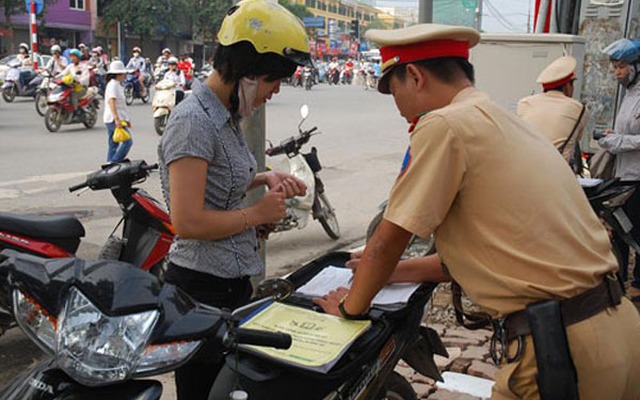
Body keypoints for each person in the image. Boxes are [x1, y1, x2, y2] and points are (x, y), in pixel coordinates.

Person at [313, 24, 640, 400]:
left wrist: (350, 308)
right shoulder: (503, 119)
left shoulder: (443, 125)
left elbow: (386, 242)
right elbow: (487, 254)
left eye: (394, 92)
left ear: (415, 76)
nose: (398, 107)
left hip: (560, 350)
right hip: (618, 331)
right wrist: (396, 273)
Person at [157, 1, 311, 399]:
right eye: (274, 80)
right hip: (200, 292)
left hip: (230, 287)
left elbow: (217, 183)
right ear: (248, 70)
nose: (275, 92)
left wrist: (263, 177)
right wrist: (255, 213)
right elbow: (187, 221)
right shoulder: (193, 122)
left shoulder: (224, 117)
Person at [598, 38, 640, 301]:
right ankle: (622, 278)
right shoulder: (627, 95)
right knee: (621, 229)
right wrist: (613, 136)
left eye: (622, 66)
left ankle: (638, 282)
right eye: (615, 67)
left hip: (638, 176)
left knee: (637, 230)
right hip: (623, 174)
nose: (617, 72)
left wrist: (616, 141)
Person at [517, 56, 588, 171]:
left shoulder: (524, 103)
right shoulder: (579, 108)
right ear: (566, 86)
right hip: (557, 172)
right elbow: (576, 138)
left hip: (525, 168)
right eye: (572, 84)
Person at [103, 60, 132, 163]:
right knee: (127, 142)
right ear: (118, 74)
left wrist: (127, 119)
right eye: (123, 73)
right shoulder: (113, 85)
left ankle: (109, 164)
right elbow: (112, 102)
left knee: (113, 143)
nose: (124, 75)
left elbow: (122, 106)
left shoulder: (118, 85)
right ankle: (115, 161)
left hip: (115, 118)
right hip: (113, 119)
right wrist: (116, 119)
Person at [58, 48, 90, 114]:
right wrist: (54, 78)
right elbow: (63, 73)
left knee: (73, 95)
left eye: (74, 56)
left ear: (78, 57)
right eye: (71, 56)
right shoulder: (70, 66)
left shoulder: (83, 67)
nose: (72, 58)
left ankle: (76, 111)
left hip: (81, 88)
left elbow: (86, 78)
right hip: (71, 86)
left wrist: (79, 81)